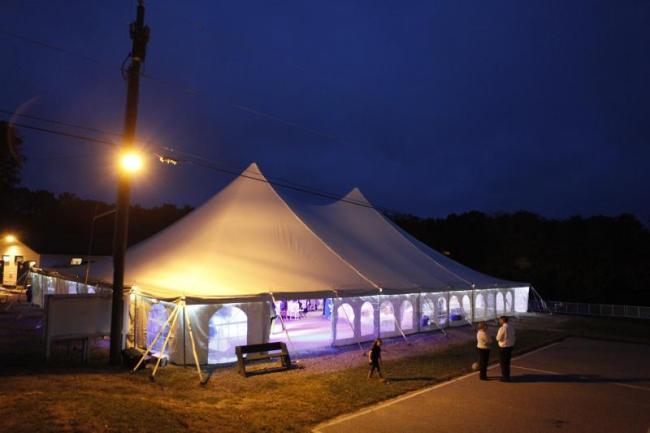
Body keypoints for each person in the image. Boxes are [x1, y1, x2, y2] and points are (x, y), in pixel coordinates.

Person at [496, 316, 516, 382]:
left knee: (503, 363)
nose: (499, 321)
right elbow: (514, 336)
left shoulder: (502, 328)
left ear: (502, 321)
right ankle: (507, 375)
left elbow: (498, 338)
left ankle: (505, 377)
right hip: (510, 347)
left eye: (500, 320)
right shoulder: (511, 327)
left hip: (503, 347)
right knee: (507, 362)